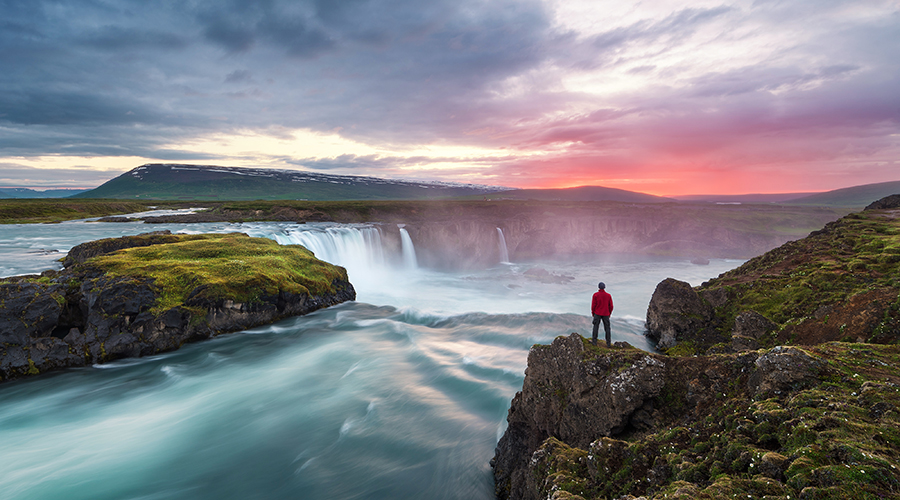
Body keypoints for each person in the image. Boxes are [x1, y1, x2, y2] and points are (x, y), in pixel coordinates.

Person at [591, 282, 613, 347]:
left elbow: (593, 306)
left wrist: (593, 313)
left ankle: (594, 342)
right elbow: (611, 306)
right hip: (606, 313)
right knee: (607, 328)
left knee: (595, 327)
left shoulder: (595, 295)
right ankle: (608, 343)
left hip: (597, 313)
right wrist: (609, 313)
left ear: (598, 287)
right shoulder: (608, 295)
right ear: (604, 287)